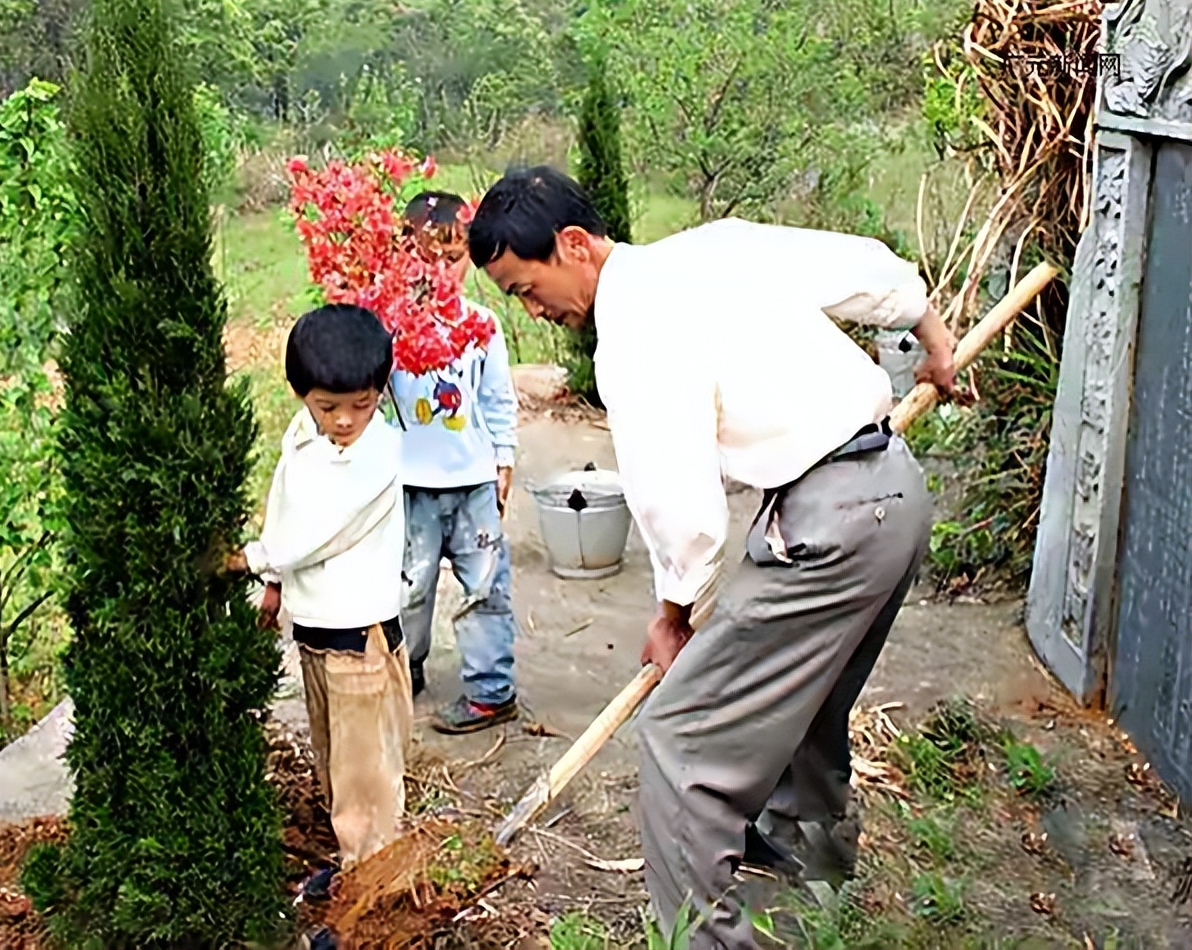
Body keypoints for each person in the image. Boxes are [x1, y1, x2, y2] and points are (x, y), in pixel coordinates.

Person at [467, 167, 958, 949]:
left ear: (573, 245)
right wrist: (935, 341)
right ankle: (812, 876)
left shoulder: (633, 331)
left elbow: (680, 504)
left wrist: (674, 614)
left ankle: (706, 939)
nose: (534, 310)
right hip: (893, 495)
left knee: (679, 743)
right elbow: (868, 271)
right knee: (806, 698)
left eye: (527, 288)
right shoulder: (713, 248)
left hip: (829, 527)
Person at [225, 303, 412, 903]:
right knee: (338, 767)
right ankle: (357, 866)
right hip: (318, 634)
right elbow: (289, 502)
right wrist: (275, 585)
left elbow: (317, 529)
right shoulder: (305, 435)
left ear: (380, 389)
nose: (345, 420)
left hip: (360, 641)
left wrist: (252, 559)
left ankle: (373, 895)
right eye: (327, 406)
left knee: (367, 781)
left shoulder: (379, 453)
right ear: (300, 392)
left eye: (362, 403)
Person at [387, 190, 521, 735]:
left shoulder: (482, 325)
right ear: (401, 256)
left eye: (454, 259)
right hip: (408, 484)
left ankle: (492, 690)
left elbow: (496, 399)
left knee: (486, 585)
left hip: (471, 484)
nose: (441, 272)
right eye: (427, 258)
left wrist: (504, 457)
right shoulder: (387, 325)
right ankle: (405, 667)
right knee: (407, 587)